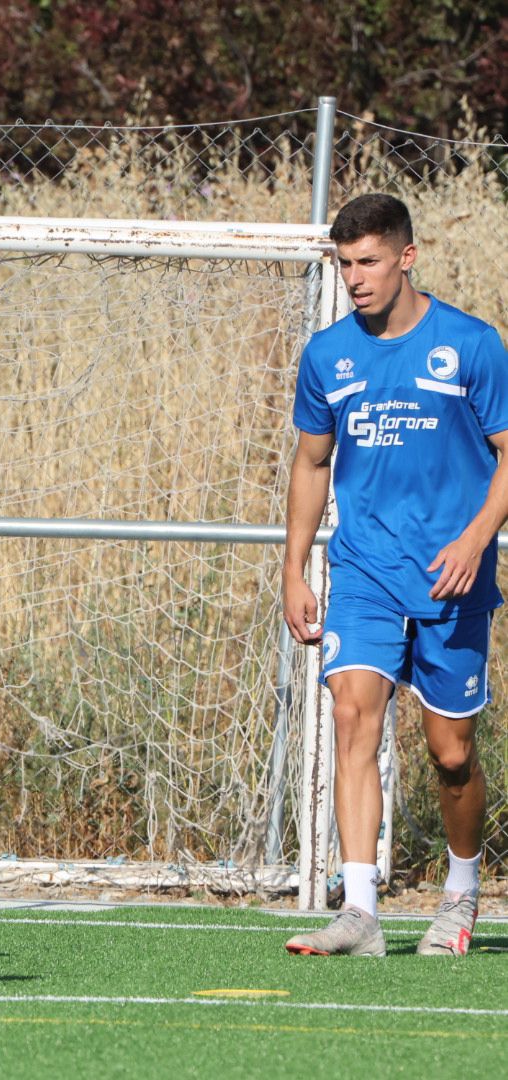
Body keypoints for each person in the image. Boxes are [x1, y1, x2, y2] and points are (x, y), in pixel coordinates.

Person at [282, 193, 504, 958]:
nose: (356, 278)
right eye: (345, 265)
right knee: (353, 716)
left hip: (451, 574)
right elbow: (311, 463)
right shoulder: (328, 355)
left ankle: (461, 891)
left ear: (407, 257)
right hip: (365, 568)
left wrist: (477, 538)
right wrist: (293, 569)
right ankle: (361, 913)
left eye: (369, 261)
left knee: (451, 754)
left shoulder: (471, 345)